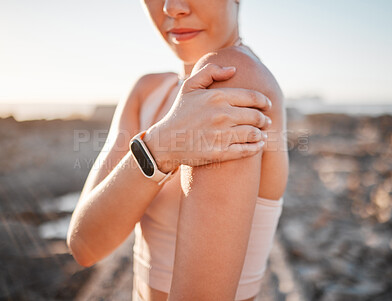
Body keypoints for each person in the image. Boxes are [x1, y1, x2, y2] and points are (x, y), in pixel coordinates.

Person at [67, 0, 289, 300]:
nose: (172, 7)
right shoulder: (147, 92)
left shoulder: (236, 76)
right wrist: (162, 145)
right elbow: (84, 245)